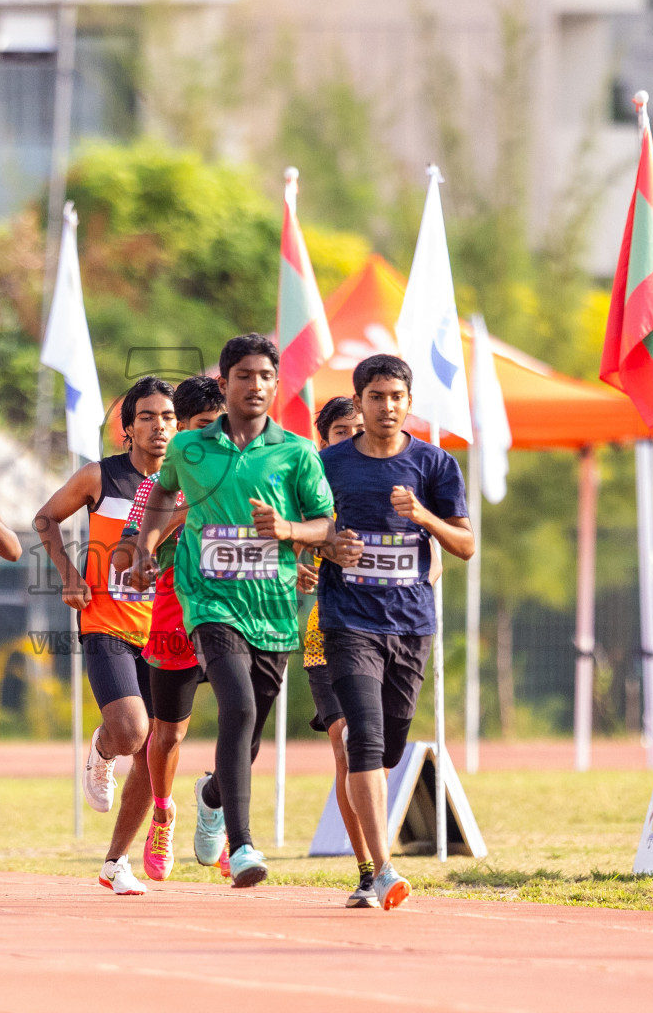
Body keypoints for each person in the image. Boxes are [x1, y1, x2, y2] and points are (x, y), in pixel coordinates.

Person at [133, 335, 345, 887]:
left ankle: (210, 796)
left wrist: (289, 531)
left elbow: (327, 524)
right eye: (244, 376)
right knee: (239, 704)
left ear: (277, 385)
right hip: (208, 602)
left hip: (272, 608)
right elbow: (161, 495)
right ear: (224, 383)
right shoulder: (189, 448)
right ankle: (244, 844)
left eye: (265, 377)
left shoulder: (297, 453)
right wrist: (143, 547)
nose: (255, 386)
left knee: (248, 733)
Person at [314, 355, 473, 910]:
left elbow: (467, 545)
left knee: (388, 749)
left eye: (396, 397)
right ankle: (380, 870)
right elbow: (301, 531)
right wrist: (330, 545)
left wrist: (425, 517)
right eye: (375, 396)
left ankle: (372, 866)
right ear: (358, 402)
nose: (386, 406)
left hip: (410, 624)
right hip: (347, 620)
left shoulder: (435, 464)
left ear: (410, 402)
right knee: (364, 738)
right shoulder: (328, 463)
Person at [34, 377, 177, 896]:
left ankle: (116, 861)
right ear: (128, 429)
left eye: (167, 418)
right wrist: (69, 576)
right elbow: (45, 518)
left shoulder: (188, 484)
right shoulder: (100, 476)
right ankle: (102, 744)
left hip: (164, 628)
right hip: (106, 622)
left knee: (154, 749)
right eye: (147, 417)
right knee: (131, 731)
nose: (158, 427)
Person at [112, 374, 224, 883]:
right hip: (174, 614)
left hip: (237, 610)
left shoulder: (250, 467)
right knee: (168, 733)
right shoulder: (162, 484)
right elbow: (127, 549)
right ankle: (162, 811)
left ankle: (226, 812)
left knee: (245, 714)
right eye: (202, 427)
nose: (214, 437)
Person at [300, 396, 378, 906]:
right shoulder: (307, 485)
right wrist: (295, 565)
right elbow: (276, 540)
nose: (351, 436)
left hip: (386, 629)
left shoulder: (388, 479)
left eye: (358, 428)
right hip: (326, 631)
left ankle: (378, 855)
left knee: (375, 753)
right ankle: (369, 870)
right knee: (347, 744)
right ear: (322, 437)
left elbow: (429, 552)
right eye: (340, 430)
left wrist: (423, 584)